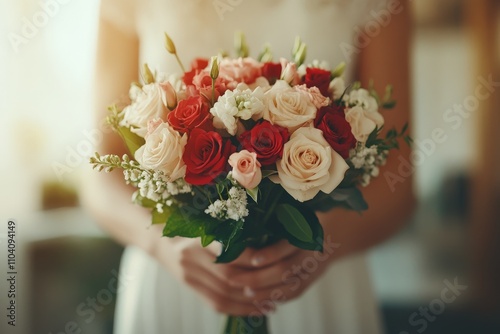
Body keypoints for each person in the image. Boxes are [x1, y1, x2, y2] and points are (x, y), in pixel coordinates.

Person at [83, 0, 415, 333]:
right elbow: (100, 177)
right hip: (179, 272)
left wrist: (326, 242)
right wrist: (162, 243)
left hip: (318, 277)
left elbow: (398, 181)